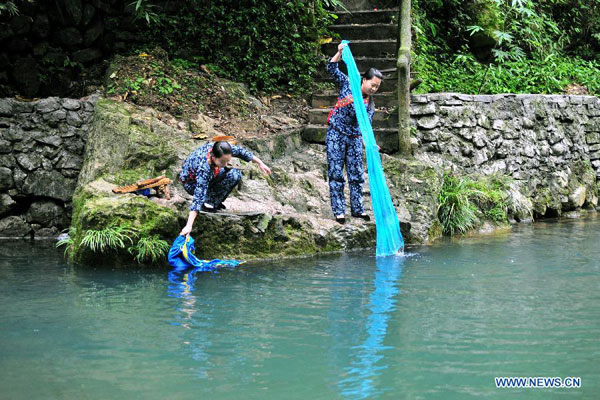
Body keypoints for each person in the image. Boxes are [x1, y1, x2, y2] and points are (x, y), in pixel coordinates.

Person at [326, 42, 383, 224]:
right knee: (336, 172)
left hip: (355, 138)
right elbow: (331, 68)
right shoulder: (348, 83)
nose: (373, 89)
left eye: (377, 87)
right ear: (364, 80)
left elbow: (366, 126)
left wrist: (370, 143)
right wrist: (339, 53)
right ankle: (339, 211)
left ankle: (357, 209)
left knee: (356, 174)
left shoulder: (370, 105)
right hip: (336, 133)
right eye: (372, 85)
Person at [178, 140, 271, 236]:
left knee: (235, 174)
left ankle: (212, 202)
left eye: (228, 160)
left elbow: (241, 152)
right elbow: (198, 197)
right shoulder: (204, 168)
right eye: (223, 161)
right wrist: (189, 226)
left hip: (213, 172)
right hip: (191, 184)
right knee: (202, 195)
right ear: (214, 157)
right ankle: (207, 202)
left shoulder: (222, 149)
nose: (226, 163)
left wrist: (260, 163)